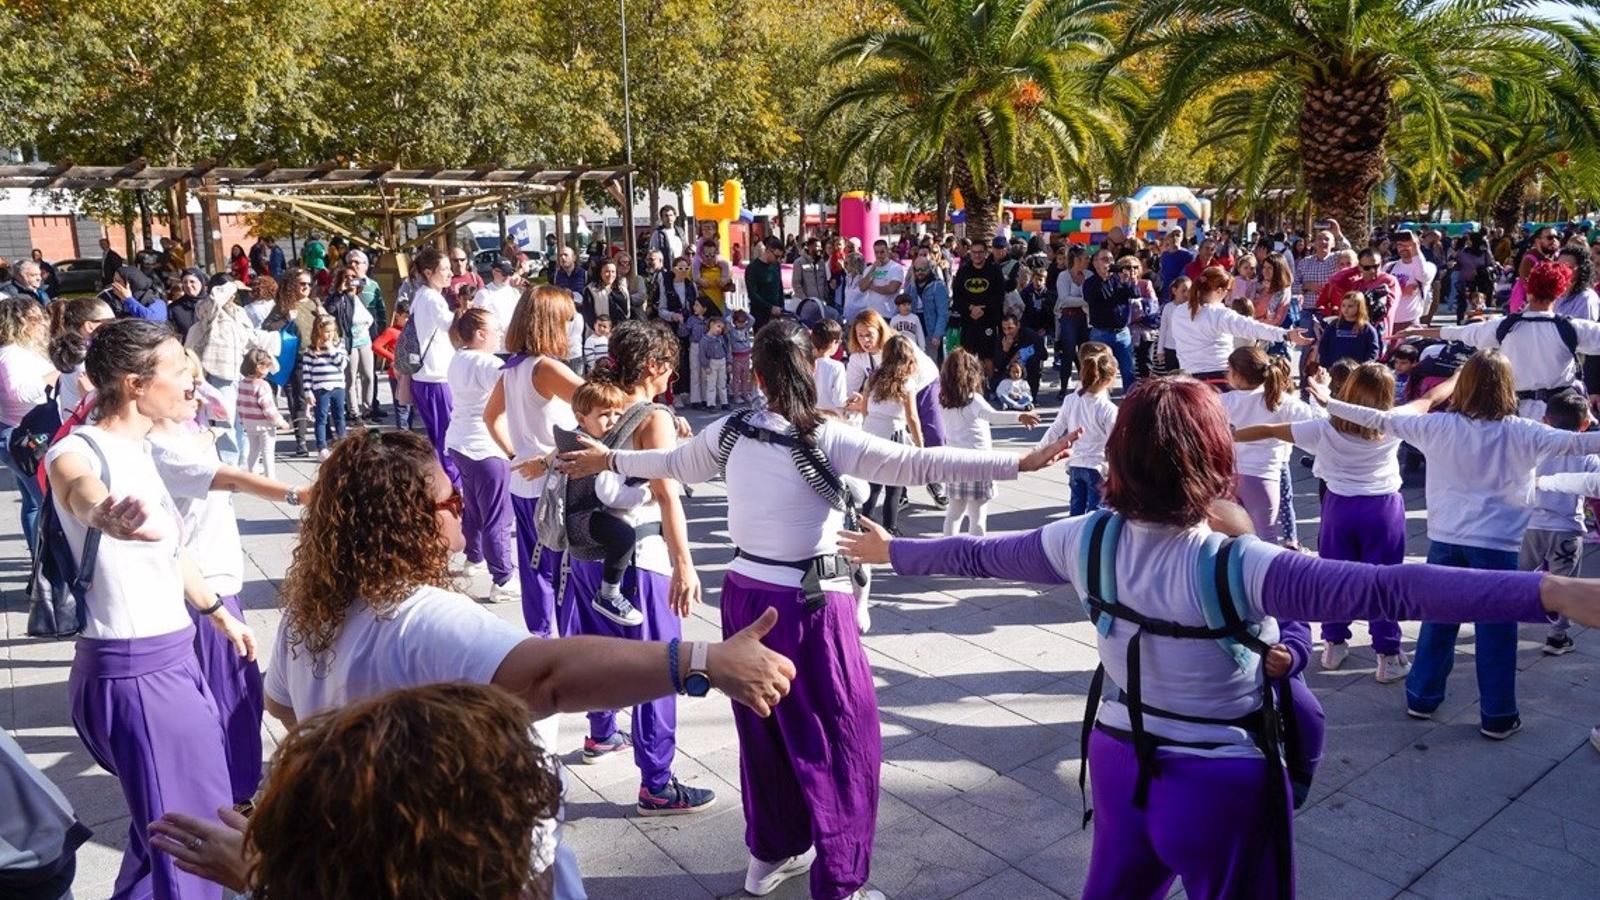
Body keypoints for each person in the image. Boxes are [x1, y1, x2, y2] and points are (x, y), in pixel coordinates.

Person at [837, 374, 1600, 900]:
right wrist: (1552, 590)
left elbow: (975, 554)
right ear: (1215, 461)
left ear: (1119, 460)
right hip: (1222, 781)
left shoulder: (1082, 540)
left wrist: (893, 552)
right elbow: (1394, 587)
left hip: (1117, 759)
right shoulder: (1242, 563)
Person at [556, 319, 1074, 900]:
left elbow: (669, 465)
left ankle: (770, 855)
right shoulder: (826, 436)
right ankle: (841, 884)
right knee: (843, 738)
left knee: (765, 731)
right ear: (807, 370)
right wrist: (1019, 464)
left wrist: (608, 461)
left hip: (745, 596)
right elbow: (921, 465)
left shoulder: (732, 430)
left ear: (756, 374)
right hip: (808, 605)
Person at [44, 318, 255, 900]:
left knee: (159, 834)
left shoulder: (139, 447)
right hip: (137, 674)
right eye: (181, 376)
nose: (194, 386)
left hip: (166, 662)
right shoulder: (81, 448)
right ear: (137, 384)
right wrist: (101, 513)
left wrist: (216, 610)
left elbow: (174, 549)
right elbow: (74, 485)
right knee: (196, 842)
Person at [1321, 350, 1600, 739]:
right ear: (1508, 387)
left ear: (1464, 385)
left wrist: (1327, 400)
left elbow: (1381, 419)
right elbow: (1583, 444)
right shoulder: (1525, 430)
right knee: (1497, 632)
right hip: (1499, 547)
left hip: (1445, 541)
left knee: (1438, 622)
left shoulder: (1438, 428)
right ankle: (1498, 716)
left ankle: (1421, 697)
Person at [554, 321, 719, 814]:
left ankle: (601, 733)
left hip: (585, 555)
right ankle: (657, 784)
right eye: (669, 365)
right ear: (655, 366)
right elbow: (668, 496)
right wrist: (684, 564)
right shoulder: (652, 416)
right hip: (639, 561)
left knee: (598, 653)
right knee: (658, 669)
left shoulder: (600, 409)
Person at [1237, 361, 1418, 682]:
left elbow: (1266, 430)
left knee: (1334, 576)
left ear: (1346, 391)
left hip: (1339, 508)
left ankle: (1334, 644)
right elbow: (1431, 400)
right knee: (1385, 581)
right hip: (1383, 509)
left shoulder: (1322, 428)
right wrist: (1458, 376)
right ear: (1388, 396)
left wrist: (1228, 436)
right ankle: (1388, 654)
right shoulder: (1395, 423)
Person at [484, 285, 582, 638]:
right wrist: (547, 458)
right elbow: (599, 409)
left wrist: (517, 453)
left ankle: (540, 640)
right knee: (564, 571)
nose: (572, 327)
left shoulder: (514, 367)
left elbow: (490, 417)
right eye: (567, 320)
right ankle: (564, 645)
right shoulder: (545, 367)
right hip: (552, 484)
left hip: (524, 483)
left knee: (534, 569)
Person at [446, 308, 517, 604]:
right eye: (495, 330)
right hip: (486, 447)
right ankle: (502, 579)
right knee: (497, 516)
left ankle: (473, 558)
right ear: (480, 334)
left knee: (475, 507)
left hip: (461, 442)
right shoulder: (486, 362)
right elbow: (516, 389)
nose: (499, 335)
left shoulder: (459, 358)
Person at [1518, 391, 1596, 657]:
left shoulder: (1534, 446)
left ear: (1544, 420)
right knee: (1566, 586)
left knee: (1517, 576)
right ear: (1585, 424)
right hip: (1567, 529)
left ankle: (1505, 620)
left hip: (1529, 525)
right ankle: (1557, 637)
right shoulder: (1587, 451)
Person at [1219, 347, 1321, 541]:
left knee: (1230, 537)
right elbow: (1316, 425)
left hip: (1229, 476)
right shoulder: (1281, 400)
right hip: (1264, 477)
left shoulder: (1223, 401)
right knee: (1267, 538)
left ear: (1237, 375)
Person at [937, 348, 1040, 535]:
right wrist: (1020, 416)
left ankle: (947, 550)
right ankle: (976, 554)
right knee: (977, 515)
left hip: (954, 461)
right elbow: (993, 416)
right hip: (979, 463)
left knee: (954, 513)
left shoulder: (944, 400)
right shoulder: (973, 399)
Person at [1167, 267, 1308, 385]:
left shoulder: (1178, 311)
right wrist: (1286, 334)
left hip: (1189, 380)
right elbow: (1251, 328)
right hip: (1219, 378)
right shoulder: (1219, 313)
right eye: (1228, 290)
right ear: (1219, 291)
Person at [855, 334, 926, 535]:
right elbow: (912, 417)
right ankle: (890, 527)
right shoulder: (906, 382)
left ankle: (864, 523)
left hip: (870, 432)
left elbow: (865, 407)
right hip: (893, 434)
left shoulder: (874, 376)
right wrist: (919, 444)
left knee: (873, 484)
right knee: (894, 485)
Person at [0, 297, 54, 550]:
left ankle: (37, 562)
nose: (42, 323)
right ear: (19, 323)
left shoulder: (23, 350)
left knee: (34, 502)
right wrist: (57, 373)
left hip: (23, 430)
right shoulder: (11, 354)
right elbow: (18, 393)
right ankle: (45, 568)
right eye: (35, 319)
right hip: (23, 436)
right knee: (46, 504)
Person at [1040, 341, 1119, 515]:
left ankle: (1071, 539)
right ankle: (1090, 541)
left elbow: (1057, 427)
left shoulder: (1071, 400)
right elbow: (1115, 443)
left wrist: (1040, 449)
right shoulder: (1108, 409)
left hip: (1075, 464)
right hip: (1097, 466)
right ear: (1108, 380)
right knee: (1096, 513)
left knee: (1075, 509)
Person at [406, 247, 460, 485]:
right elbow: (454, 327)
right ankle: (452, 486)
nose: (451, 273)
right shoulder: (431, 298)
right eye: (445, 269)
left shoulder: (422, 295)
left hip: (427, 377)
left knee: (438, 436)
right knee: (447, 438)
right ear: (428, 273)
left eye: (450, 268)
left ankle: (444, 484)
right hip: (435, 377)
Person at [1083, 249, 1142, 392]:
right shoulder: (1090, 282)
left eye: (1110, 259)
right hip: (1100, 333)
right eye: (1104, 259)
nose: (1108, 262)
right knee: (1100, 369)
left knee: (1128, 370)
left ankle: (1129, 398)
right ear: (1095, 263)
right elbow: (1092, 299)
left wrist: (1127, 281)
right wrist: (1103, 279)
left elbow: (1135, 294)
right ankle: (1100, 396)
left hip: (1122, 333)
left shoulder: (1119, 279)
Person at [952, 238, 1007, 367]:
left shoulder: (994, 270)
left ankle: (988, 385)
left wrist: (984, 308)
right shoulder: (963, 271)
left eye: (980, 252)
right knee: (967, 357)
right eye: (974, 252)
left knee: (987, 357)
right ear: (970, 253)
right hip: (968, 320)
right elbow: (957, 296)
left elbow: (999, 295)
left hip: (988, 319)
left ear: (986, 253)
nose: (977, 255)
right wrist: (970, 308)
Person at [238, 347, 288, 479]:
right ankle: (270, 478)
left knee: (253, 451)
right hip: (265, 426)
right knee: (267, 452)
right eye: (267, 366)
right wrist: (280, 422)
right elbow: (269, 409)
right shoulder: (262, 385)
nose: (268, 370)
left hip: (249, 424)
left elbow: (240, 404)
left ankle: (251, 475)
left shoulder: (242, 384)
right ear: (259, 367)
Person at [303, 316, 349, 460]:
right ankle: (322, 447)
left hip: (338, 386)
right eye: (326, 331)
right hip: (320, 387)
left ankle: (343, 444)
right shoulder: (311, 350)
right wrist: (308, 391)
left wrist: (332, 350)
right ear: (319, 331)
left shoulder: (339, 344)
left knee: (339, 416)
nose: (329, 334)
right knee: (321, 417)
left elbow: (342, 365)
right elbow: (306, 372)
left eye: (332, 331)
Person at [1317, 291, 1382, 366]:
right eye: (1343, 305)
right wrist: (1326, 364)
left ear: (1359, 307)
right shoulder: (1334, 325)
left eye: (1350, 306)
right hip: (1334, 370)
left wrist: (1363, 368)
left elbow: (1373, 351)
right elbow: (1323, 346)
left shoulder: (1366, 328)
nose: (1346, 309)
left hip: (1356, 372)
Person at [746, 236, 785, 328]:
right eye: (776, 256)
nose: (778, 259)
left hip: (777, 314)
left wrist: (781, 307)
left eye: (780, 257)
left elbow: (779, 287)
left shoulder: (776, 265)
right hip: (760, 315)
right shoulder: (752, 268)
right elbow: (752, 294)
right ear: (768, 251)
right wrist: (770, 308)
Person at [813, 319, 848, 414]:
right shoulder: (837, 367)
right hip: (830, 416)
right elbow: (840, 400)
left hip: (809, 413)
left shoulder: (806, 363)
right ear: (834, 342)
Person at [701, 315, 733, 411]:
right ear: (711, 324)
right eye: (718, 326)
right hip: (712, 362)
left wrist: (729, 362)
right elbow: (702, 354)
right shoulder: (704, 340)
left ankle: (724, 402)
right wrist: (706, 366)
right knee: (711, 383)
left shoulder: (721, 338)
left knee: (722, 382)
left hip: (722, 361)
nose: (720, 330)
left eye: (722, 328)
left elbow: (726, 350)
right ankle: (711, 404)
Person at [729, 309, 756, 404]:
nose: (741, 324)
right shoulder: (732, 331)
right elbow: (727, 321)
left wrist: (745, 313)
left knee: (745, 377)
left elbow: (752, 320)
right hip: (736, 357)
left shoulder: (746, 329)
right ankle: (736, 395)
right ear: (735, 322)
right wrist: (732, 314)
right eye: (739, 322)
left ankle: (745, 393)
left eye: (743, 322)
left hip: (746, 356)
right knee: (736, 378)